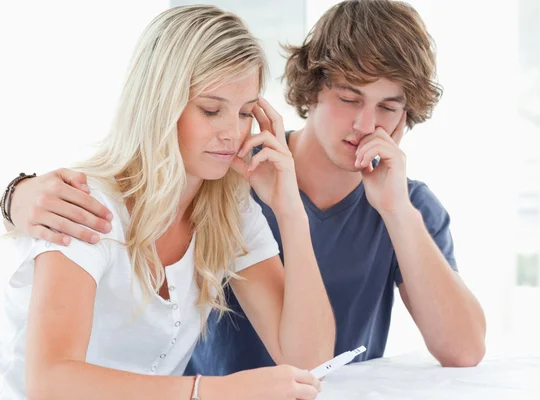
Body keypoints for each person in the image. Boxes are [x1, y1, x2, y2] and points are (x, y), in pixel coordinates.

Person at [4, 0, 486, 379]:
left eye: (389, 108)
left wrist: (380, 209)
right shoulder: (223, 179)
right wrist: (13, 196)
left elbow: (459, 351)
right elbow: (52, 379)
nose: (365, 124)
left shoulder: (234, 198)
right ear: (313, 89)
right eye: (348, 98)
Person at [0, 5, 335, 400]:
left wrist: (289, 209)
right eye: (211, 110)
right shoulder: (85, 205)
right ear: (162, 105)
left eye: (246, 112)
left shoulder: (230, 207)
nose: (232, 132)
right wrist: (212, 392)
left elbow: (307, 360)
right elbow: (50, 382)